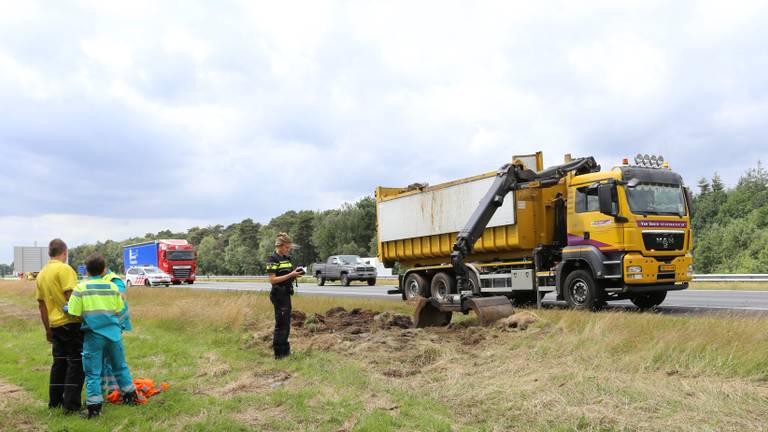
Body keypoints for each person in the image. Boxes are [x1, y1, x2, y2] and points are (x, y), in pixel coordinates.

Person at [67, 254, 139, 418]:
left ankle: (94, 409)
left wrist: (68, 308)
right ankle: (130, 397)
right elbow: (118, 309)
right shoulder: (112, 287)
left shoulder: (81, 288)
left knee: (93, 372)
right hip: (114, 335)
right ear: (104, 268)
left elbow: (74, 312)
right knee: (120, 367)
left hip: (94, 336)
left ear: (86, 269)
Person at [35, 238, 84, 414]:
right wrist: (84, 318)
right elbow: (72, 296)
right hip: (70, 323)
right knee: (76, 364)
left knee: (59, 363)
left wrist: (47, 329)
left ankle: (55, 401)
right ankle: (71, 407)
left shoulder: (41, 274)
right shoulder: (64, 269)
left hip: (54, 324)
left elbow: (41, 304)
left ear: (50, 253)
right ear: (65, 252)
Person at [266, 232, 304, 359]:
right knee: (281, 324)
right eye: (287, 248)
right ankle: (279, 354)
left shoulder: (287, 259)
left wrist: (296, 274)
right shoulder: (272, 259)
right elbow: (273, 280)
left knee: (286, 324)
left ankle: (286, 351)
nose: (288, 250)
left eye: (289, 248)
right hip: (278, 294)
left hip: (287, 293)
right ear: (280, 246)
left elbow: (288, 275)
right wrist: (290, 275)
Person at [100, 268, 133, 395]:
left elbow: (120, 300)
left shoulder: (115, 280)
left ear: (104, 268)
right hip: (106, 325)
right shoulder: (102, 279)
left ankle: (114, 390)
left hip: (113, 325)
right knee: (105, 359)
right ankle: (111, 390)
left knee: (110, 360)